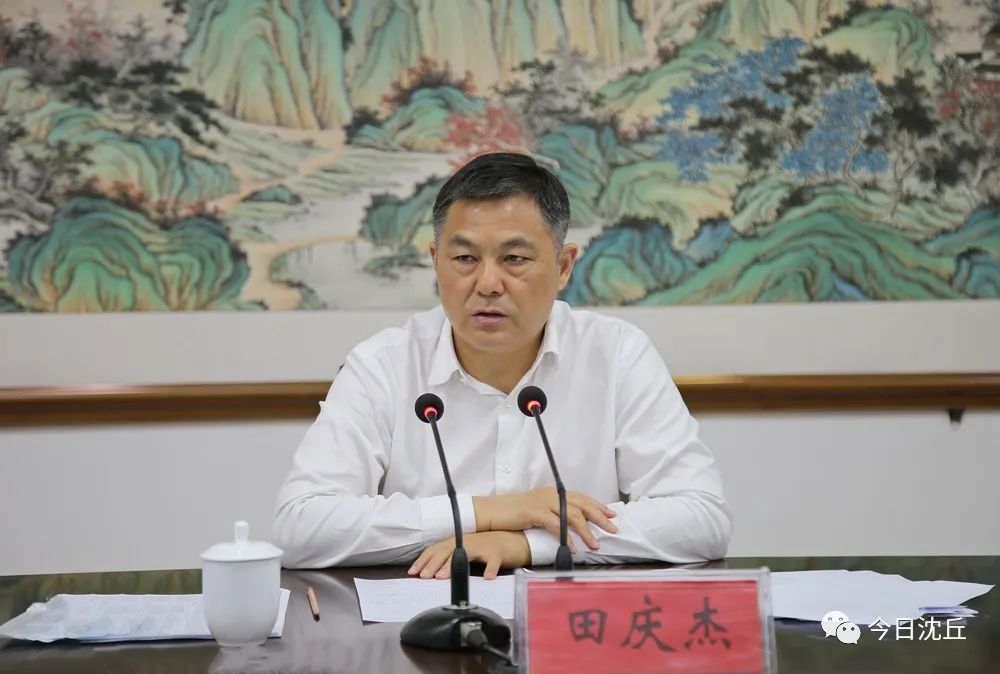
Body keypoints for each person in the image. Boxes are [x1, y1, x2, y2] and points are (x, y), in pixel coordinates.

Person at [271, 152, 732, 578]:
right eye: (464, 259)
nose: (488, 283)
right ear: (435, 261)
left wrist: (528, 543)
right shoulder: (382, 367)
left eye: (514, 259)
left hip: (568, 630)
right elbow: (299, 527)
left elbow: (701, 517)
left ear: (564, 265)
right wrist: (486, 512)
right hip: (418, 627)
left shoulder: (616, 355)